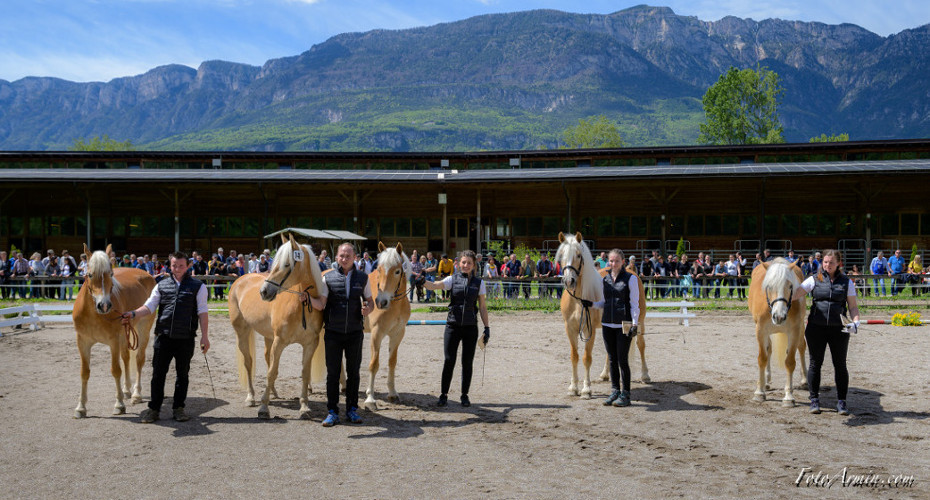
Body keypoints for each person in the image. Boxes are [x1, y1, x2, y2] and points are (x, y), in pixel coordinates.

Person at [122, 252, 209, 423]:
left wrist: (204, 337)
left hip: (185, 338)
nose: (177, 269)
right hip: (163, 337)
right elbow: (149, 307)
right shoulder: (161, 285)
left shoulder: (198, 287)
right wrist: (133, 313)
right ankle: (154, 409)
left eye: (181, 266)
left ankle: (178, 408)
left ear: (188, 266)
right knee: (158, 374)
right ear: (170, 265)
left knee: (182, 375)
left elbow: (203, 312)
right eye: (174, 265)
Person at [307, 243, 373, 427]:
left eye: (348, 256)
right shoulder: (327, 278)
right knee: (333, 374)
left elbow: (370, 301)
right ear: (336, 257)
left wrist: (368, 309)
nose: (344, 259)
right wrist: (307, 298)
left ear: (354, 258)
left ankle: (352, 410)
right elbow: (321, 304)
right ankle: (332, 412)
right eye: (341, 256)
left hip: (355, 333)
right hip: (333, 333)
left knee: (353, 373)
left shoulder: (363, 278)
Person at [790, 249, 860, 416]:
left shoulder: (847, 282)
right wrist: (782, 288)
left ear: (838, 264)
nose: (828, 265)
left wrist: (855, 322)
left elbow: (853, 306)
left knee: (840, 365)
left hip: (839, 329)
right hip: (816, 328)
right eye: (825, 262)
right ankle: (814, 399)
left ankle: (842, 401)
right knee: (815, 363)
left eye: (831, 262)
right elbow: (795, 294)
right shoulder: (814, 279)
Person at [423, 250, 490, 408]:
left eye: (469, 263)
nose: (466, 265)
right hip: (452, 326)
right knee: (449, 360)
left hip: (470, 327)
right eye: (463, 262)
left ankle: (464, 395)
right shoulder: (452, 279)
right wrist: (421, 281)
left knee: (467, 362)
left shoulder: (479, 283)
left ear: (474, 265)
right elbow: (434, 285)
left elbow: (482, 307)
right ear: (459, 264)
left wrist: (487, 327)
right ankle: (443, 394)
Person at [589, 249, 640, 407]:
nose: (614, 263)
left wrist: (635, 324)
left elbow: (634, 304)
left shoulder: (630, 279)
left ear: (623, 262)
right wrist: (590, 304)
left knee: (622, 360)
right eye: (611, 261)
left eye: (617, 261)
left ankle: (626, 394)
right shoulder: (605, 280)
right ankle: (615, 390)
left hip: (624, 324)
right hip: (607, 324)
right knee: (612, 359)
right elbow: (603, 302)